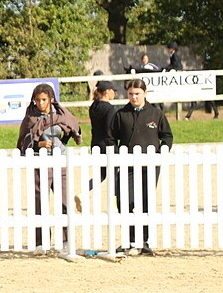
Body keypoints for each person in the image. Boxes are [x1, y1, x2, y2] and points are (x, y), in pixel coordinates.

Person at [106, 79, 173, 256]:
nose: (134, 97)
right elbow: (111, 138)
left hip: (149, 166)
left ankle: (143, 241)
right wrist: (116, 154)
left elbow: (167, 136)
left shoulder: (156, 114)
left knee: (145, 201)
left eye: (137, 94)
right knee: (124, 201)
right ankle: (129, 239)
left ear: (144, 93)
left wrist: (163, 151)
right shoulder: (121, 114)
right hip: (127, 166)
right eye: (131, 94)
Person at [16, 83, 81, 250]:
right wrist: (38, 144)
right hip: (40, 163)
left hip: (60, 161)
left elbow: (73, 126)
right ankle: (41, 242)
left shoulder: (61, 114)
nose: (40, 103)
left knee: (64, 201)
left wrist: (64, 139)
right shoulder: (30, 118)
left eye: (44, 99)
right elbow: (23, 141)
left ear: (51, 99)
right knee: (40, 202)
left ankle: (66, 240)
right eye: (37, 100)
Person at [76, 79, 118, 209]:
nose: (115, 94)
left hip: (96, 143)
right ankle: (115, 200)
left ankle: (83, 193)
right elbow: (110, 129)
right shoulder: (109, 109)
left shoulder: (93, 106)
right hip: (107, 144)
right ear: (107, 92)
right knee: (115, 173)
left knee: (101, 174)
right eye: (113, 91)